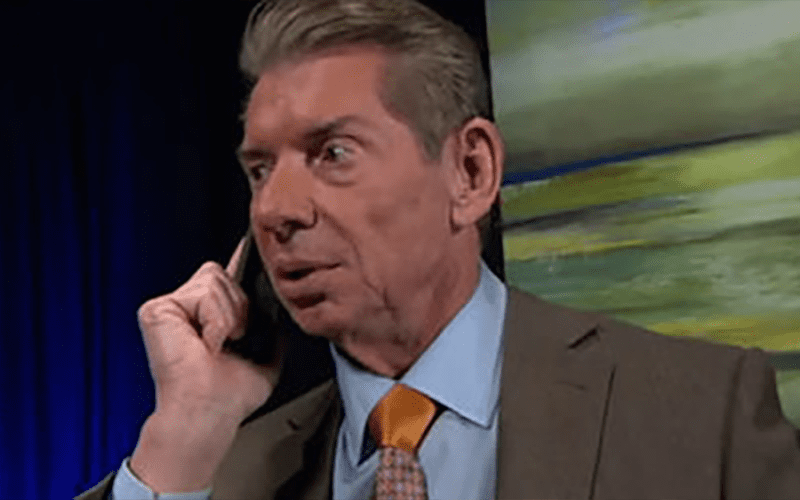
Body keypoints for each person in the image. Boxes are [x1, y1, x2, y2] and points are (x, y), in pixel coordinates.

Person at [77, 0, 800, 498]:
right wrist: (186, 433)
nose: (274, 210)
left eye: (332, 152)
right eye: (261, 170)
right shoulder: (213, 473)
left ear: (471, 172)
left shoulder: (702, 416)